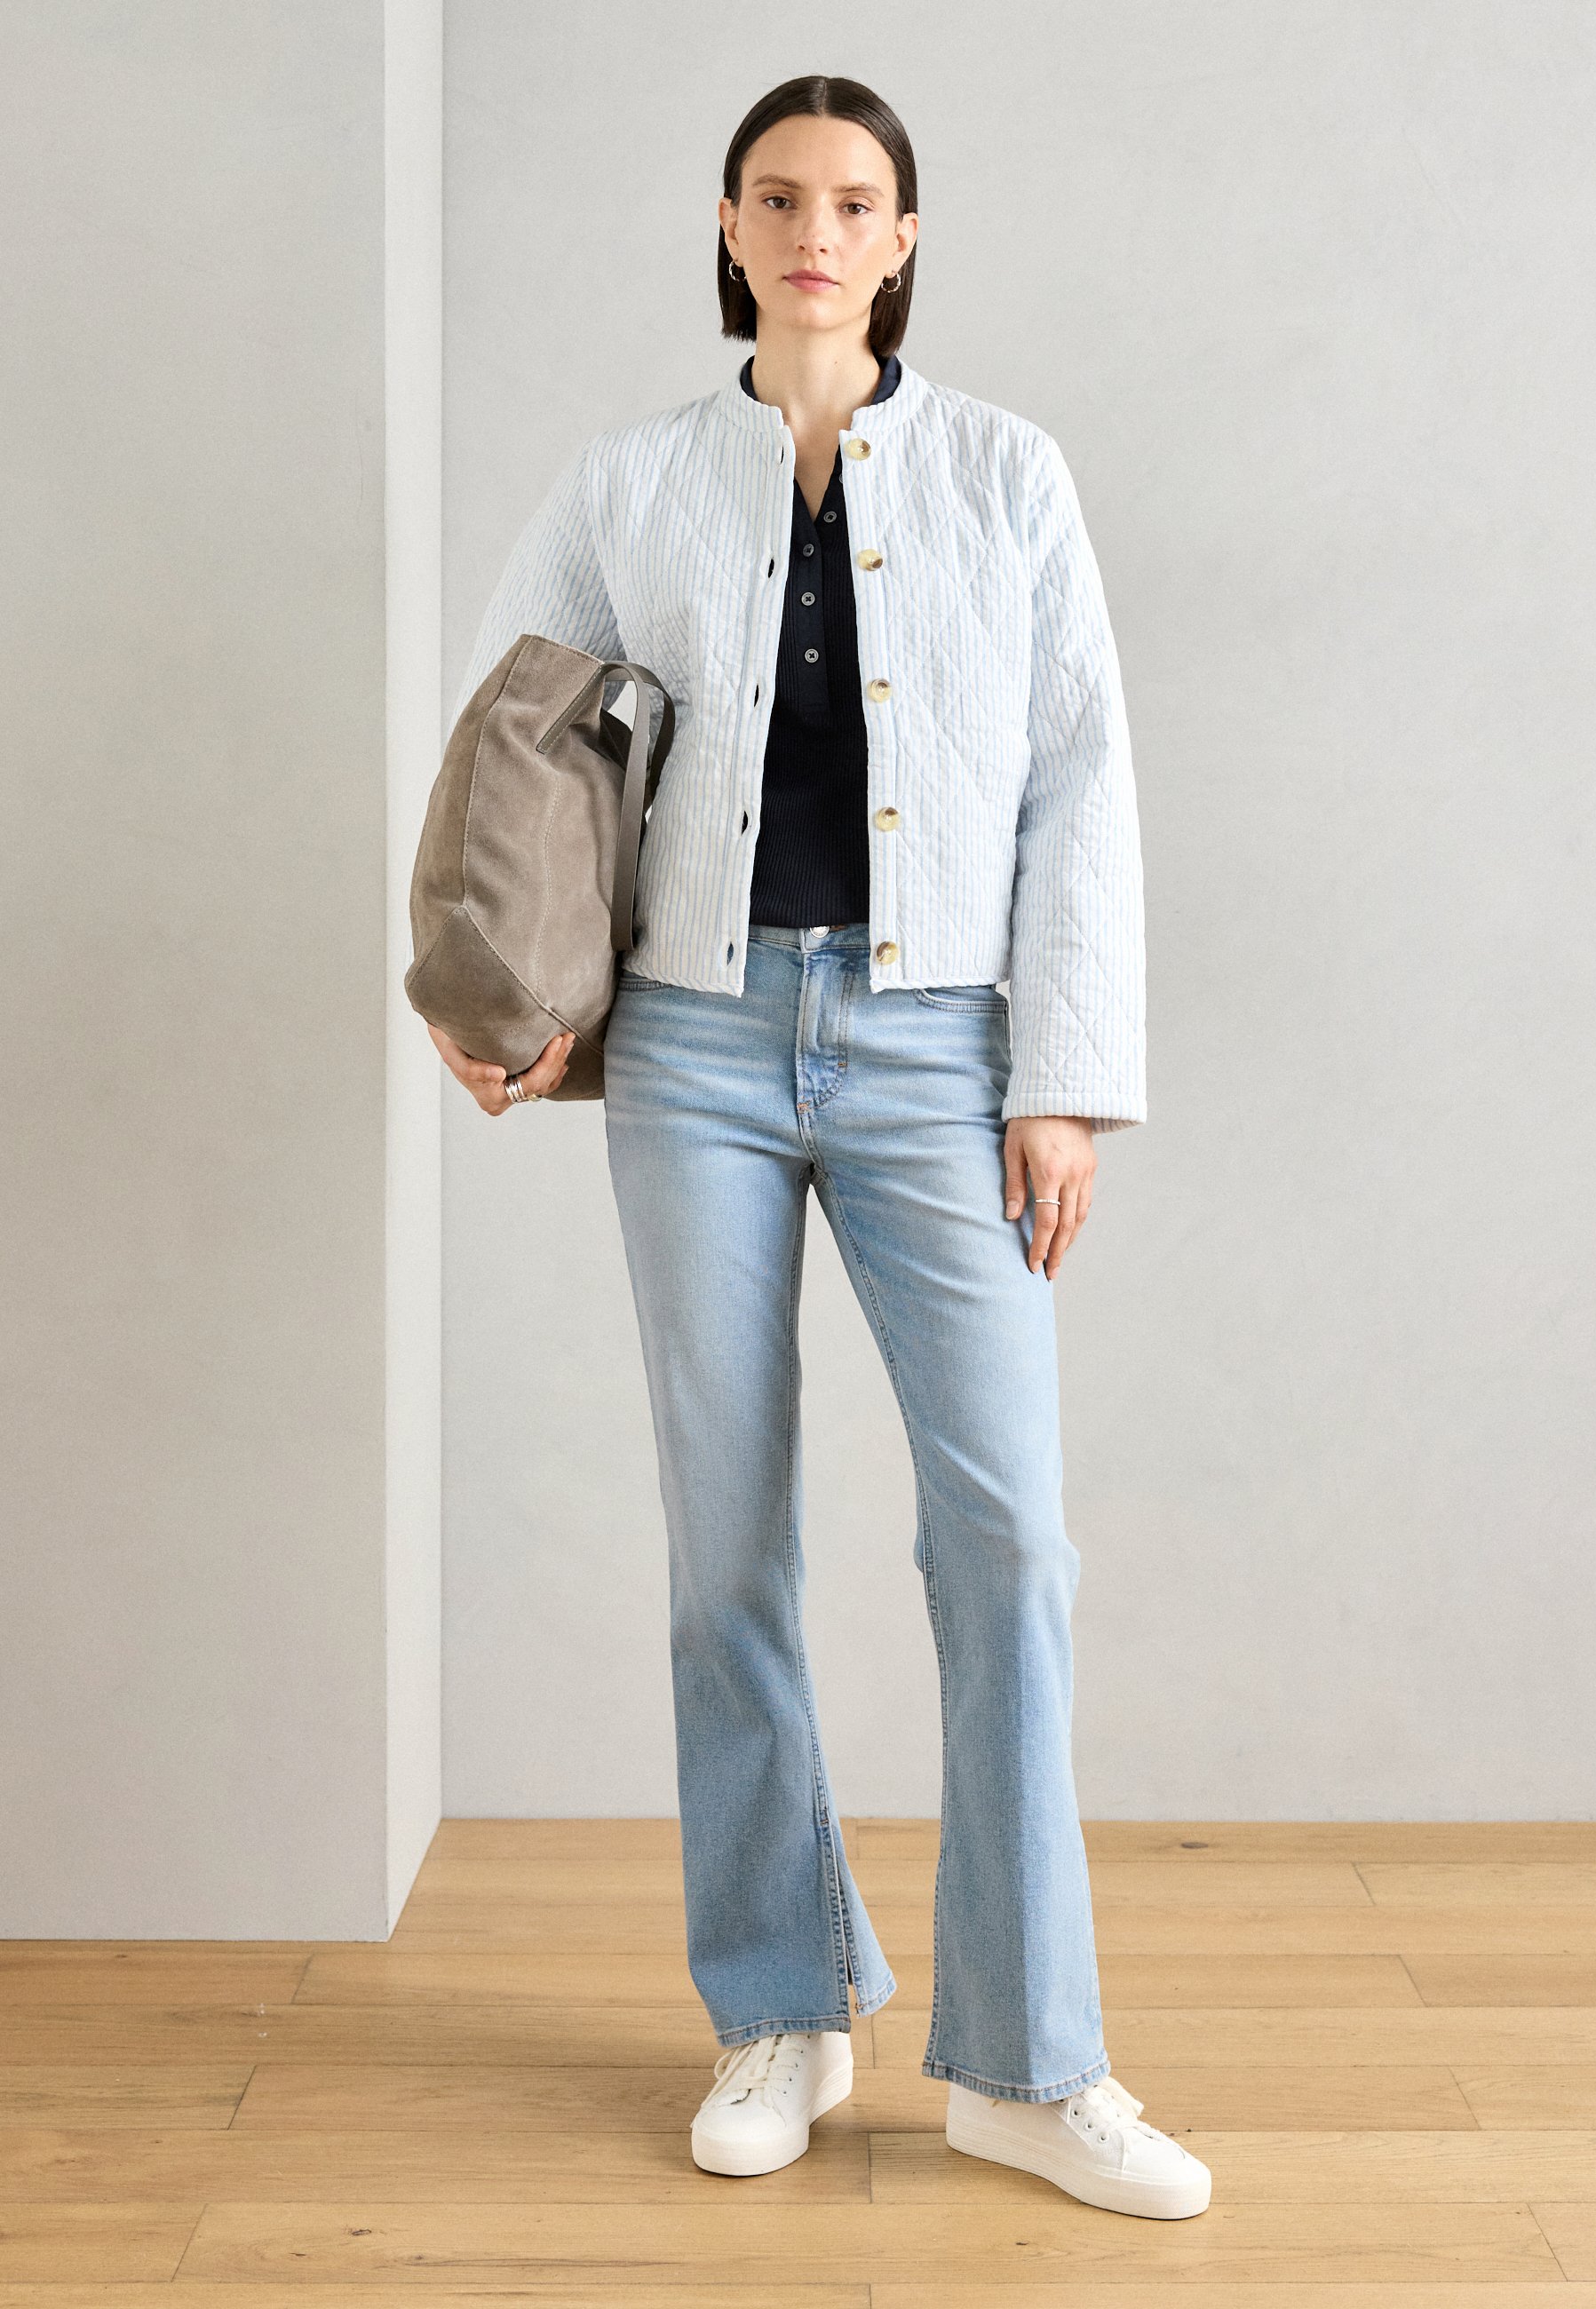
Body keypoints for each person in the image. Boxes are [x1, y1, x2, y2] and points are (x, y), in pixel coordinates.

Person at [432, 75, 1211, 2223]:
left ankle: (1030, 2064)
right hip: (688, 1042)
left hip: (938, 1047)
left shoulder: (1004, 474)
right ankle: (779, 2006)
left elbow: (1080, 777)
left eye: (854, 201)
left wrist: (1060, 1075)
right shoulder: (630, 481)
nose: (815, 229)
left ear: (902, 238)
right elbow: (517, 746)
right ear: (728, 223)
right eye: (779, 196)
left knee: (1005, 1541)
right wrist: (505, 1000)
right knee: (725, 1552)